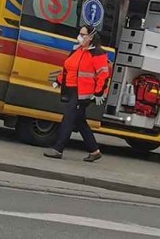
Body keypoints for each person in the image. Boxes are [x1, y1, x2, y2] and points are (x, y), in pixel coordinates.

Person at [44, 25, 110, 162]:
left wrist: (98, 93)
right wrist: (59, 80)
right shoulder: (77, 50)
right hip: (73, 90)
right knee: (79, 121)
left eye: (83, 34)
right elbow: (68, 68)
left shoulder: (97, 54)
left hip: (85, 94)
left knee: (68, 119)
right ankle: (94, 150)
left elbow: (103, 75)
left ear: (91, 37)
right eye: (80, 34)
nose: (80, 37)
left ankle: (58, 148)